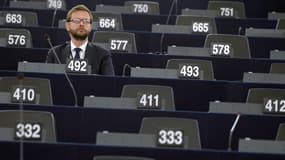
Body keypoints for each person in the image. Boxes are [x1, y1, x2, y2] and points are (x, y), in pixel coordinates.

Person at [46, 4, 114, 75]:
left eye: (85, 21)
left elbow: (109, 84)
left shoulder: (103, 55)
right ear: (67, 26)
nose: (81, 24)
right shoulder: (54, 53)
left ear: (90, 27)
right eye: (76, 20)